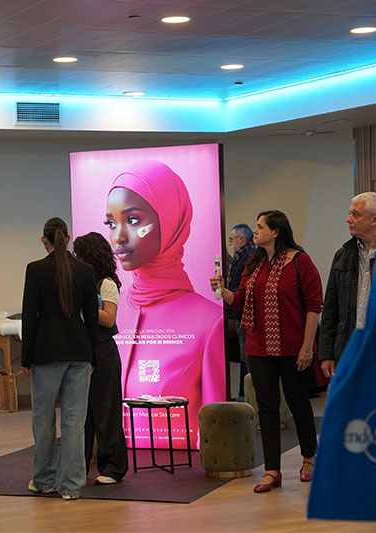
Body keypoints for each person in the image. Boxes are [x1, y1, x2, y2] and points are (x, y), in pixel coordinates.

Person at [105, 160, 224, 451]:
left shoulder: (210, 322)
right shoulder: (112, 312)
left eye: (133, 220)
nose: (118, 237)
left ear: (170, 220)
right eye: (111, 223)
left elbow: (216, 428)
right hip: (113, 467)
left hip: (179, 467)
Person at [211, 210, 322, 493]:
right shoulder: (254, 262)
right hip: (259, 346)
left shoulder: (300, 261)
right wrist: (224, 291)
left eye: (260, 227)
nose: (256, 231)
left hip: (293, 347)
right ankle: (272, 470)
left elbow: (313, 306)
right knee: (267, 408)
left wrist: (307, 346)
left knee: (298, 402)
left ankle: (309, 457)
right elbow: (240, 300)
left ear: (276, 231)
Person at [21, 217, 99, 501]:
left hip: (46, 354)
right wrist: (93, 358)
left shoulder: (35, 270)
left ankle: (44, 480)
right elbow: (92, 319)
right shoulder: (86, 271)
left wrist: (26, 359)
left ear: (45, 241)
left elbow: (29, 318)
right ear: (67, 238)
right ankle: (72, 486)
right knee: (74, 422)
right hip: (79, 353)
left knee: (43, 421)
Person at [72, 231, 128, 485]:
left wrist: (84, 306)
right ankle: (78, 466)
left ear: (91, 256)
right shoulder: (80, 282)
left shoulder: (106, 283)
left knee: (106, 410)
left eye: (80, 254)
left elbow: (108, 318)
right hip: (82, 352)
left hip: (103, 352)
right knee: (82, 414)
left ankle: (113, 468)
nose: (76, 259)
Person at [318, 192, 376, 379]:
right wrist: (326, 354)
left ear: (374, 220)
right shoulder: (343, 255)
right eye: (350, 213)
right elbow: (330, 307)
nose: (348, 219)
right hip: (348, 349)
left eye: (356, 214)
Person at [226, 223, 256, 388]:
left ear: (240, 239)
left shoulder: (248, 257)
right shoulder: (245, 255)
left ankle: (253, 395)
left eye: (231, 239)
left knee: (248, 357)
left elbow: (241, 291)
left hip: (243, 314)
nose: (230, 243)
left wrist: (226, 294)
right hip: (241, 312)